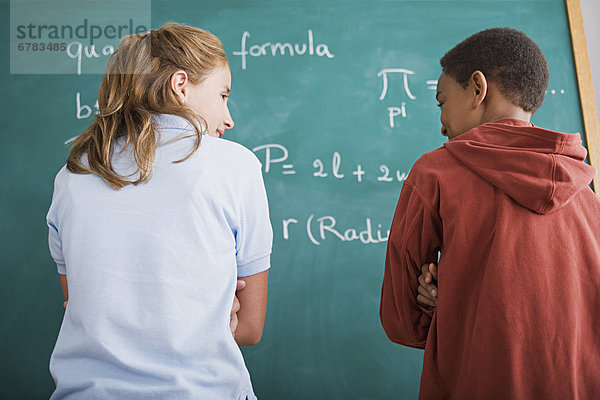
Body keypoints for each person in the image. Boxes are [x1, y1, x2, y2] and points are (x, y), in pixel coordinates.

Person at [46, 23, 273, 399]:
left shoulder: (72, 174)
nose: (228, 118)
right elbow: (249, 327)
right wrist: (202, 307)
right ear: (180, 84)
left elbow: (81, 304)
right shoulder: (236, 166)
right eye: (222, 95)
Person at [380, 27, 600, 399]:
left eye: (442, 101)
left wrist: (442, 299)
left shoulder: (436, 173)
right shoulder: (585, 189)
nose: (442, 123)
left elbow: (405, 322)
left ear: (478, 89)